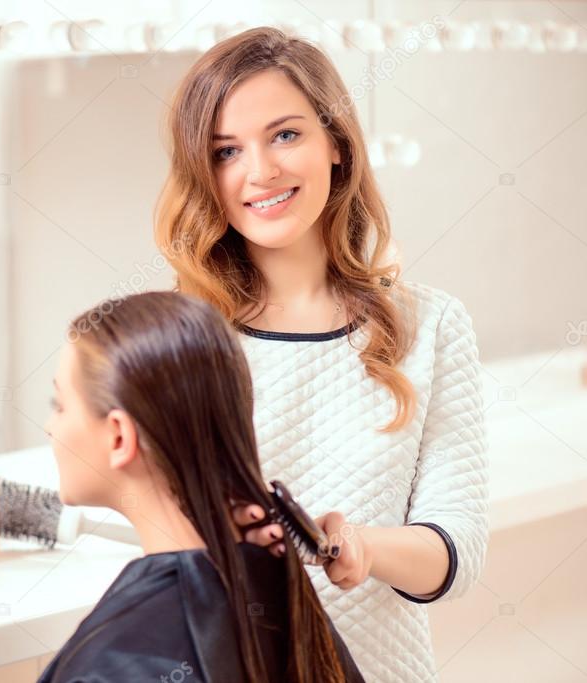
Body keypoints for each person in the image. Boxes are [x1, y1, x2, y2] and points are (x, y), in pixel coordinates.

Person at [154, 26, 488, 681]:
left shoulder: (431, 326)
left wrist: (362, 545)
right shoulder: (184, 337)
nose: (260, 171)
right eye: (225, 151)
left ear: (335, 144)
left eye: (284, 135)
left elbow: (458, 550)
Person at [39, 291, 364, 682]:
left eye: (59, 405)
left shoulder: (116, 663)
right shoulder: (284, 592)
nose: (51, 427)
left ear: (118, 438)